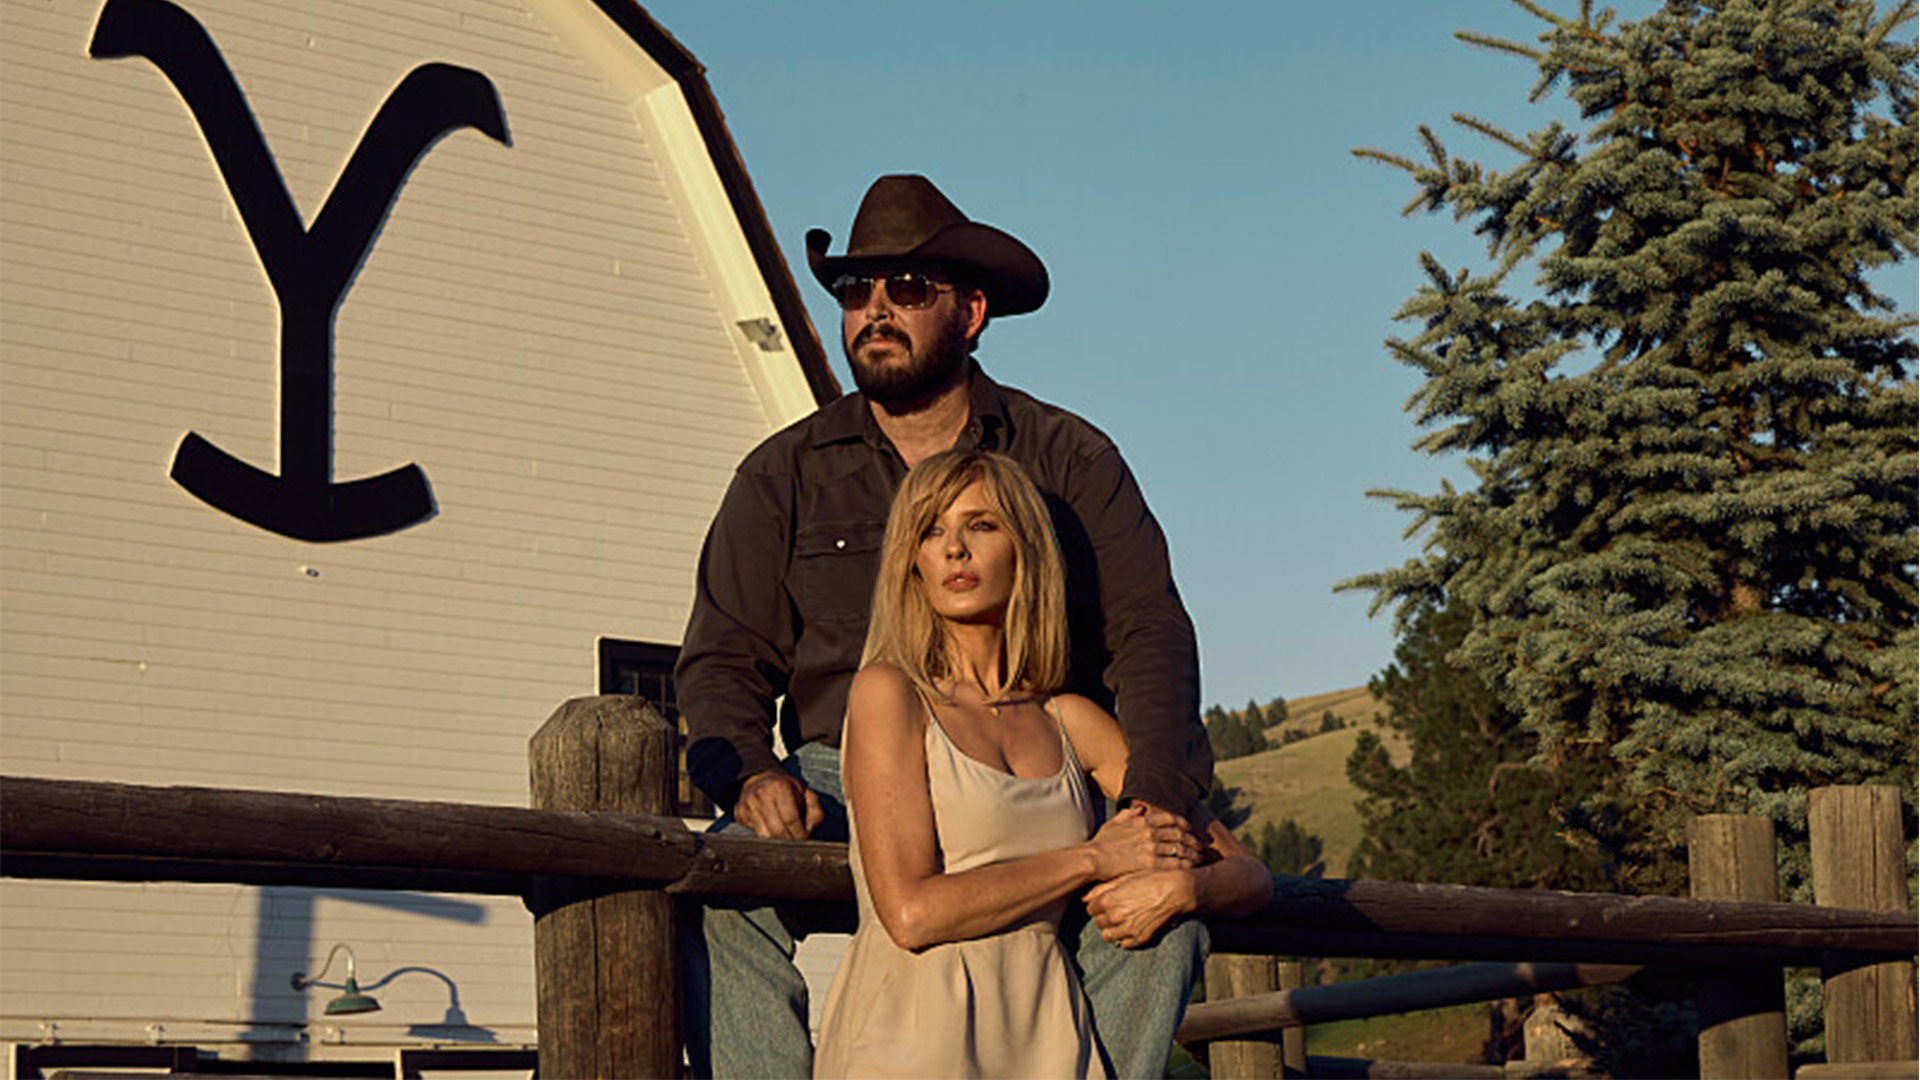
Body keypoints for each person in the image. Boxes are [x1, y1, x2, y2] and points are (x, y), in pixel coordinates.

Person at [678, 174, 1216, 1077]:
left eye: (906, 288)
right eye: (855, 290)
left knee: (1164, 913)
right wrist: (750, 772)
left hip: (1032, 761)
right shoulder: (783, 475)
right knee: (718, 895)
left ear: (970, 311)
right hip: (844, 770)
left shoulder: (1069, 459)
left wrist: (1152, 798)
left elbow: (1151, 632)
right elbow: (723, 654)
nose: (874, 310)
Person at [814, 449, 1272, 1078]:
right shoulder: (890, 693)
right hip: (912, 1035)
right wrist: (1092, 859)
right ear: (912, 561)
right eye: (931, 531)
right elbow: (911, 913)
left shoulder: (1069, 719)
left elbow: (1250, 875)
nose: (954, 549)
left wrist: (1184, 889)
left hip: (1051, 1039)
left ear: (1023, 548)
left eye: (980, 525)